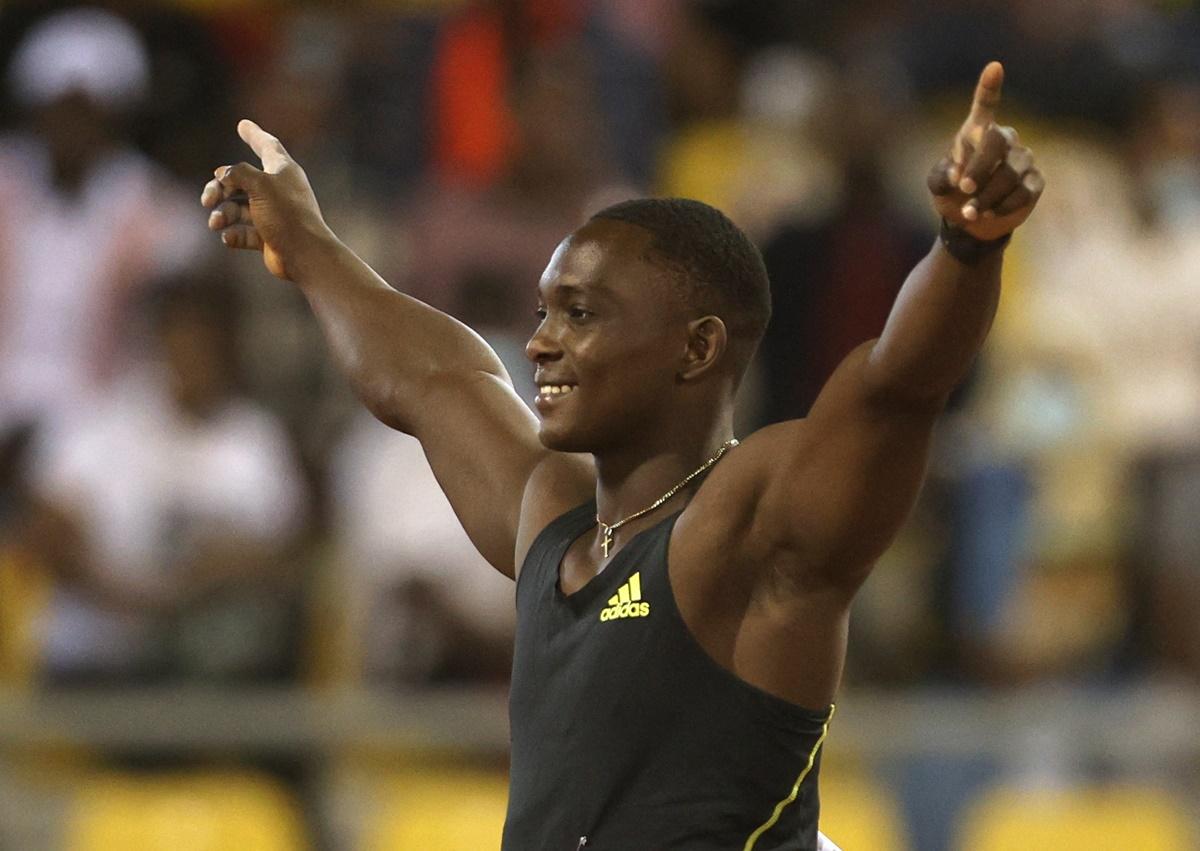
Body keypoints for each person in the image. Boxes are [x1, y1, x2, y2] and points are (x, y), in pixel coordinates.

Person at [202, 61, 1042, 850]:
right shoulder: (552, 514)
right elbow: (429, 377)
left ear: (696, 348)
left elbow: (896, 389)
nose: (539, 345)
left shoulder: (742, 526)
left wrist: (969, 247)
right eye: (543, 312)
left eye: (580, 313)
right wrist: (307, 245)